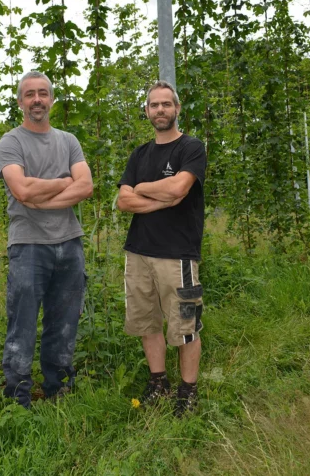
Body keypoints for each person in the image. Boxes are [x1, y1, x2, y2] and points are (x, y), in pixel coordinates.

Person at [0, 71, 93, 408]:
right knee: (21, 324)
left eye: (42, 93)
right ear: (20, 102)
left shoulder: (68, 141)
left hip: (70, 242)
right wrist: (64, 182)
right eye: (29, 94)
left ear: (51, 99)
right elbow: (22, 190)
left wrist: (43, 197)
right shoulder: (11, 142)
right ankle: (17, 400)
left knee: (64, 322)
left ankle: (59, 391)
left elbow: (86, 186)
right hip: (28, 245)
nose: (37, 99)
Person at [117, 80, 206, 417]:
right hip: (138, 252)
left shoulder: (191, 148)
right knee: (146, 322)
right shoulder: (139, 154)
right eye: (154, 105)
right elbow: (123, 201)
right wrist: (162, 197)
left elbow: (179, 188)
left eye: (166, 104)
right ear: (147, 111)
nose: (160, 110)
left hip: (178, 254)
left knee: (186, 324)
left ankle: (188, 391)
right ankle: (159, 383)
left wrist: (142, 188)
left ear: (177, 108)